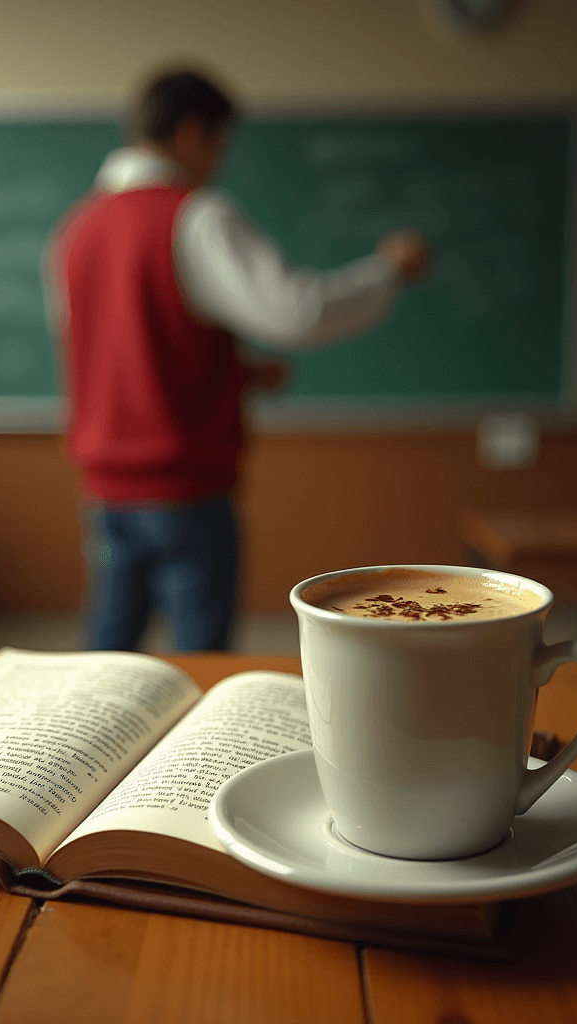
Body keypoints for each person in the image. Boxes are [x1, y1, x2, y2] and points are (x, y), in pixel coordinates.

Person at [44, 69, 430, 653]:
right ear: (194, 133)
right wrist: (387, 273)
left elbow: (112, 350)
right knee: (204, 662)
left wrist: (235, 373)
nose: (221, 162)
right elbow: (297, 312)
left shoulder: (73, 231)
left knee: (107, 652)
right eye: (222, 144)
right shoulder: (196, 217)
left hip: (104, 491)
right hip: (185, 491)